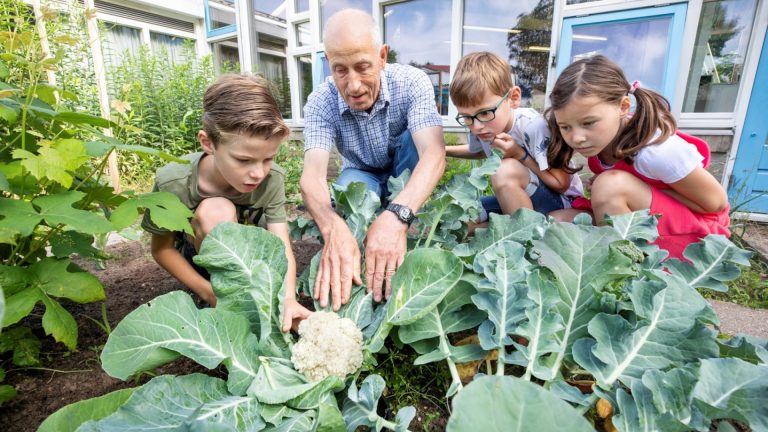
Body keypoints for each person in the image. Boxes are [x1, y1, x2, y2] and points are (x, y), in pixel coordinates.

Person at [141, 74, 311, 332]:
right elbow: (161, 250)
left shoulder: (272, 178)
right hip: (200, 261)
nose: (258, 173)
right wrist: (209, 292)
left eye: (268, 159)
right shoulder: (172, 182)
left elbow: (280, 244)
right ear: (207, 143)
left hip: (255, 263)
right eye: (243, 160)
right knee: (217, 211)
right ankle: (219, 295)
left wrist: (288, 299)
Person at [300, 9, 446, 310]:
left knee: (414, 142)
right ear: (329, 63)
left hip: (405, 166)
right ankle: (361, 267)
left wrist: (398, 216)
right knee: (347, 198)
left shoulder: (412, 82)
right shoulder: (320, 102)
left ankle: (405, 226)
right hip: (361, 171)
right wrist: (331, 227)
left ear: (382, 56)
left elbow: (434, 153)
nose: (353, 85)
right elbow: (312, 176)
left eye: (363, 67)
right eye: (340, 70)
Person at [546, 55, 730, 258]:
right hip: (652, 220)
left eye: (588, 123)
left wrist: (625, 188)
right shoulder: (603, 141)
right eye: (565, 127)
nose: (577, 138)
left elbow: (716, 203)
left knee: (609, 186)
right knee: (557, 221)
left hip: (697, 236)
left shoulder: (657, 151)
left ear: (623, 107)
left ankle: (622, 271)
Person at [445, 51, 582, 220]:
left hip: (561, 202)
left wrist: (520, 154)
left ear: (513, 98)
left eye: (486, 112)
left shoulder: (533, 126)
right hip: (521, 196)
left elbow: (561, 184)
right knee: (461, 215)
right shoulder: (480, 123)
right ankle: (502, 227)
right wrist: (443, 150)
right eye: (466, 117)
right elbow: (479, 152)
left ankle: (524, 235)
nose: (477, 127)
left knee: (505, 170)